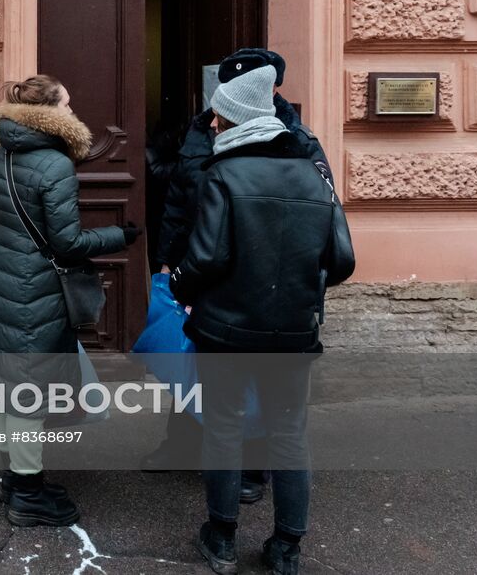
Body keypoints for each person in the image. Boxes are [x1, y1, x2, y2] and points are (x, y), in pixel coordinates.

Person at [168, 64, 355, 575]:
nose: (212, 125)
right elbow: (341, 260)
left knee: (224, 429)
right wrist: (298, 290)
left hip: (225, 328)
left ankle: (222, 539)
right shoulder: (315, 172)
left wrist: (179, 287)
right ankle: (287, 548)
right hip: (294, 330)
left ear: (235, 119)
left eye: (219, 116)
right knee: (290, 433)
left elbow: (205, 259)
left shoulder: (223, 174)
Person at [142, 48, 332, 504]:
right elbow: (181, 197)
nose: (218, 104)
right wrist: (169, 260)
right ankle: (183, 445)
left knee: (248, 373)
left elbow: (318, 218)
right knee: (192, 358)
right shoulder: (203, 126)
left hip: (262, 275)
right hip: (199, 260)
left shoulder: (293, 137)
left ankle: (250, 467)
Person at [0, 76, 139, 527]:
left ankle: (14, 477)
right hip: (32, 286)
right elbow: (65, 242)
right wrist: (120, 235)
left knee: (6, 376)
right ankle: (28, 493)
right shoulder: (53, 164)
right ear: (52, 112)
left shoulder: (2, 152)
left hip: (0, 272)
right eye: (68, 100)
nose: (74, 106)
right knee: (28, 389)